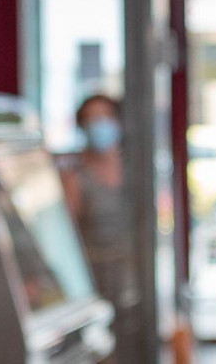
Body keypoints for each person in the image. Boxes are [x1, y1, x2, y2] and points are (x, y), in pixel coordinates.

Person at [58, 94, 138, 362]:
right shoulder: (75, 175)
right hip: (94, 279)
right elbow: (65, 232)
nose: (99, 125)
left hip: (133, 276)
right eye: (91, 119)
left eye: (104, 117)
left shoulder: (135, 169)